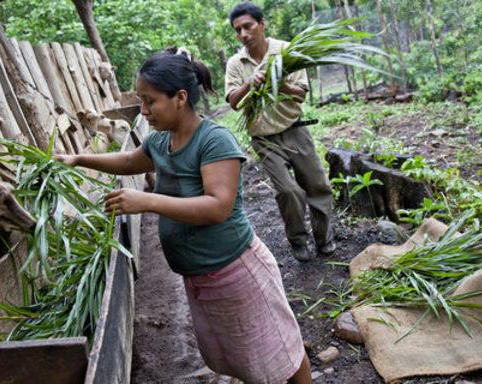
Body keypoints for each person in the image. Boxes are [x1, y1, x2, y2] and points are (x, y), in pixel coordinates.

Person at [56, 52, 312, 384]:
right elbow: (130, 163)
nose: (144, 111)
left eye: (150, 102)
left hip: (235, 271)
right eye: (141, 101)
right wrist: (78, 159)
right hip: (200, 278)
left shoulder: (214, 140)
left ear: (180, 98)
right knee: (246, 357)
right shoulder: (161, 140)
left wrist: (147, 201)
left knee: (282, 351)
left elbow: (218, 207)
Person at [225, 1, 336, 262]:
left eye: (248, 26)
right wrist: (250, 84)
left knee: (317, 185)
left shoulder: (286, 51)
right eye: (237, 30)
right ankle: (298, 240)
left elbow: (301, 95)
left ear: (262, 25)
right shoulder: (236, 63)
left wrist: (280, 83)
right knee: (288, 191)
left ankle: (324, 237)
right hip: (264, 138)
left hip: (295, 130)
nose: (243, 34)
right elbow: (233, 101)